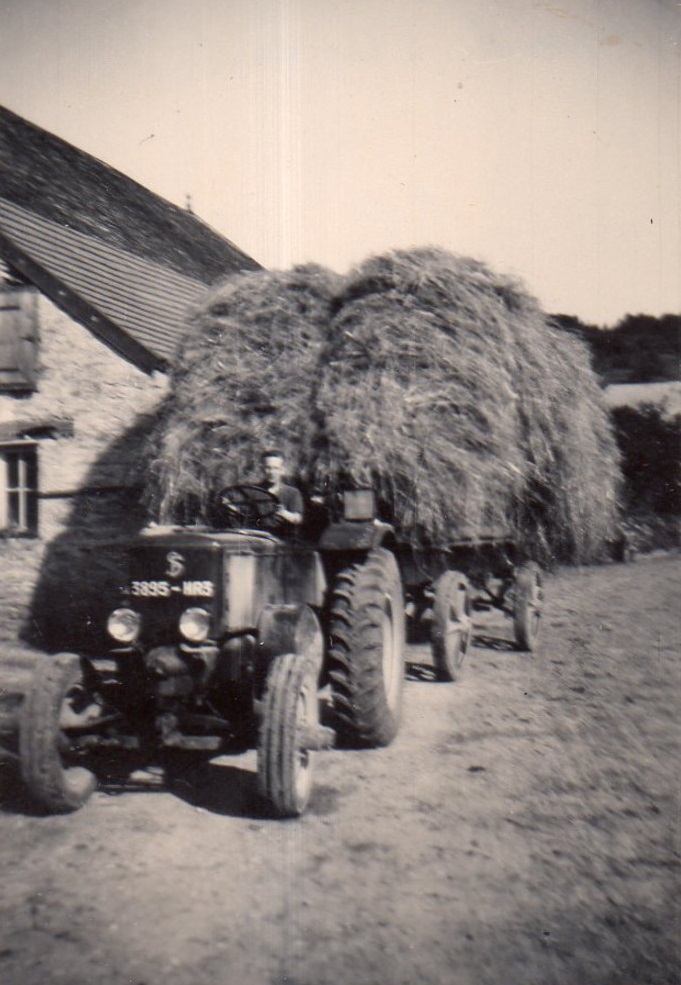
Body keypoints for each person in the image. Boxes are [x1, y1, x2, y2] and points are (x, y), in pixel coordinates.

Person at [261, 450, 303, 530]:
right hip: (255, 534)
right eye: (268, 468)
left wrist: (284, 513)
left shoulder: (292, 493)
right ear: (262, 469)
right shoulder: (253, 490)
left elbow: (297, 519)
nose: (271, 472)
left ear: (282, 470)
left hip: (280, 536)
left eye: (276, 468)